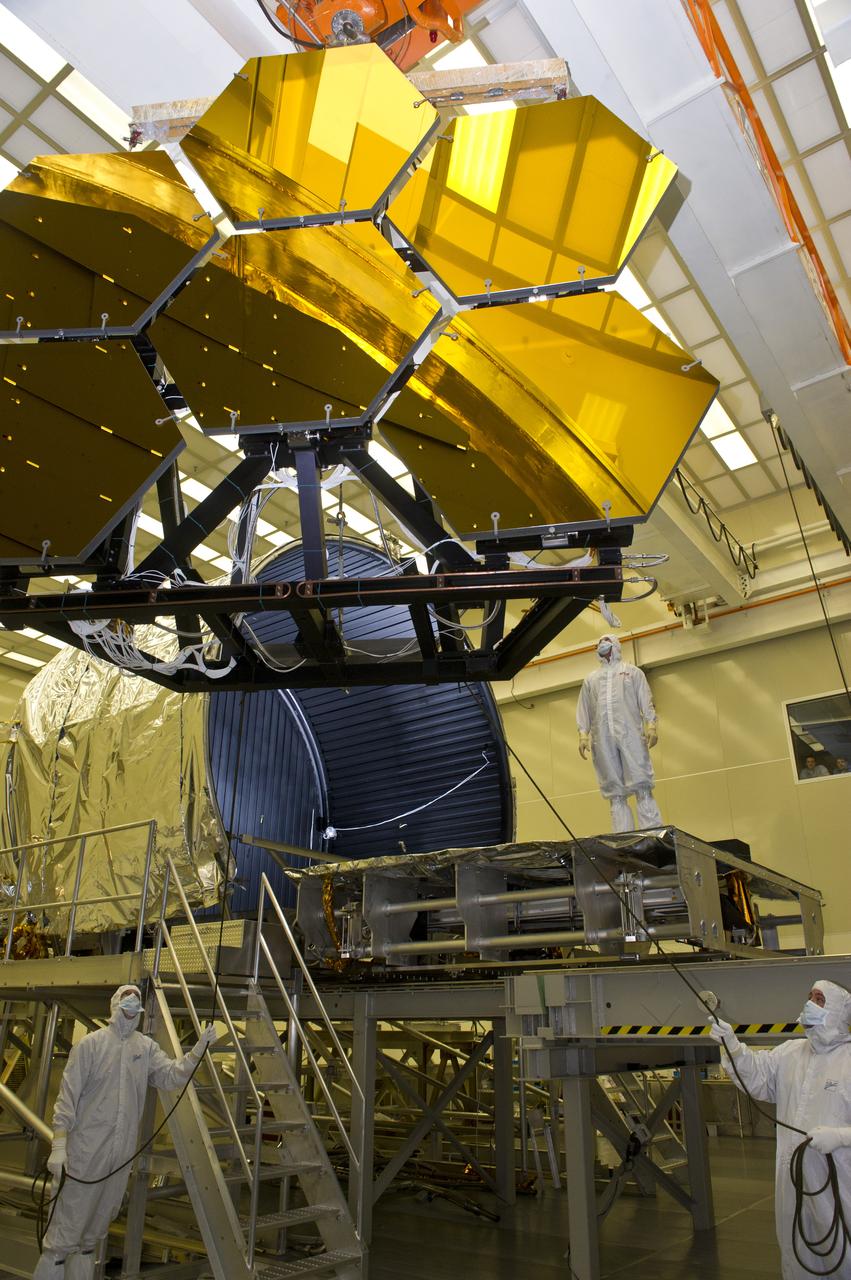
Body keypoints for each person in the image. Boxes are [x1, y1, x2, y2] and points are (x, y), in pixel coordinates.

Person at [34, 984, 216, 1280]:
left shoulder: (144, 1048)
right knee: (66, 1230)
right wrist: (59, 1144)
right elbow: (67, 1098)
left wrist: (197, 1051)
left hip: (120, 1156)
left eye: (135, 1011)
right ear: (114, 1008)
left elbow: (170, 1076)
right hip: (85, 1153)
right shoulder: (90, 1045)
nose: (130, 1015)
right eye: (125, 1009)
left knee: (93, 1233)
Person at [710, 979, 851, 1279]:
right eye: (809, 997)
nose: (810, 1004)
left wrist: (839, 1136)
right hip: (792, 1181)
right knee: (796, 1249)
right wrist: (732, 1047)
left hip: (840, 1183)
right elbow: (757, 1077)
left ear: (838, 1011)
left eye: (820, 999)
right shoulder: (790, 1053)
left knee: (842, 1249)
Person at [576, 634, 663, 832]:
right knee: (614, 789)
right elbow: (585, 708)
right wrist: (583, 734)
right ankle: (623, 837)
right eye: (598, 642)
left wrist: (651, 725)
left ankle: (652, 835)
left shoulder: (632, 673)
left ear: (616, 645)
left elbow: (645, 699)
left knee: (641, 783)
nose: (602, 644)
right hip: (602, 740)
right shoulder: (591, 680)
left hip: (630, 735)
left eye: (606, 640)